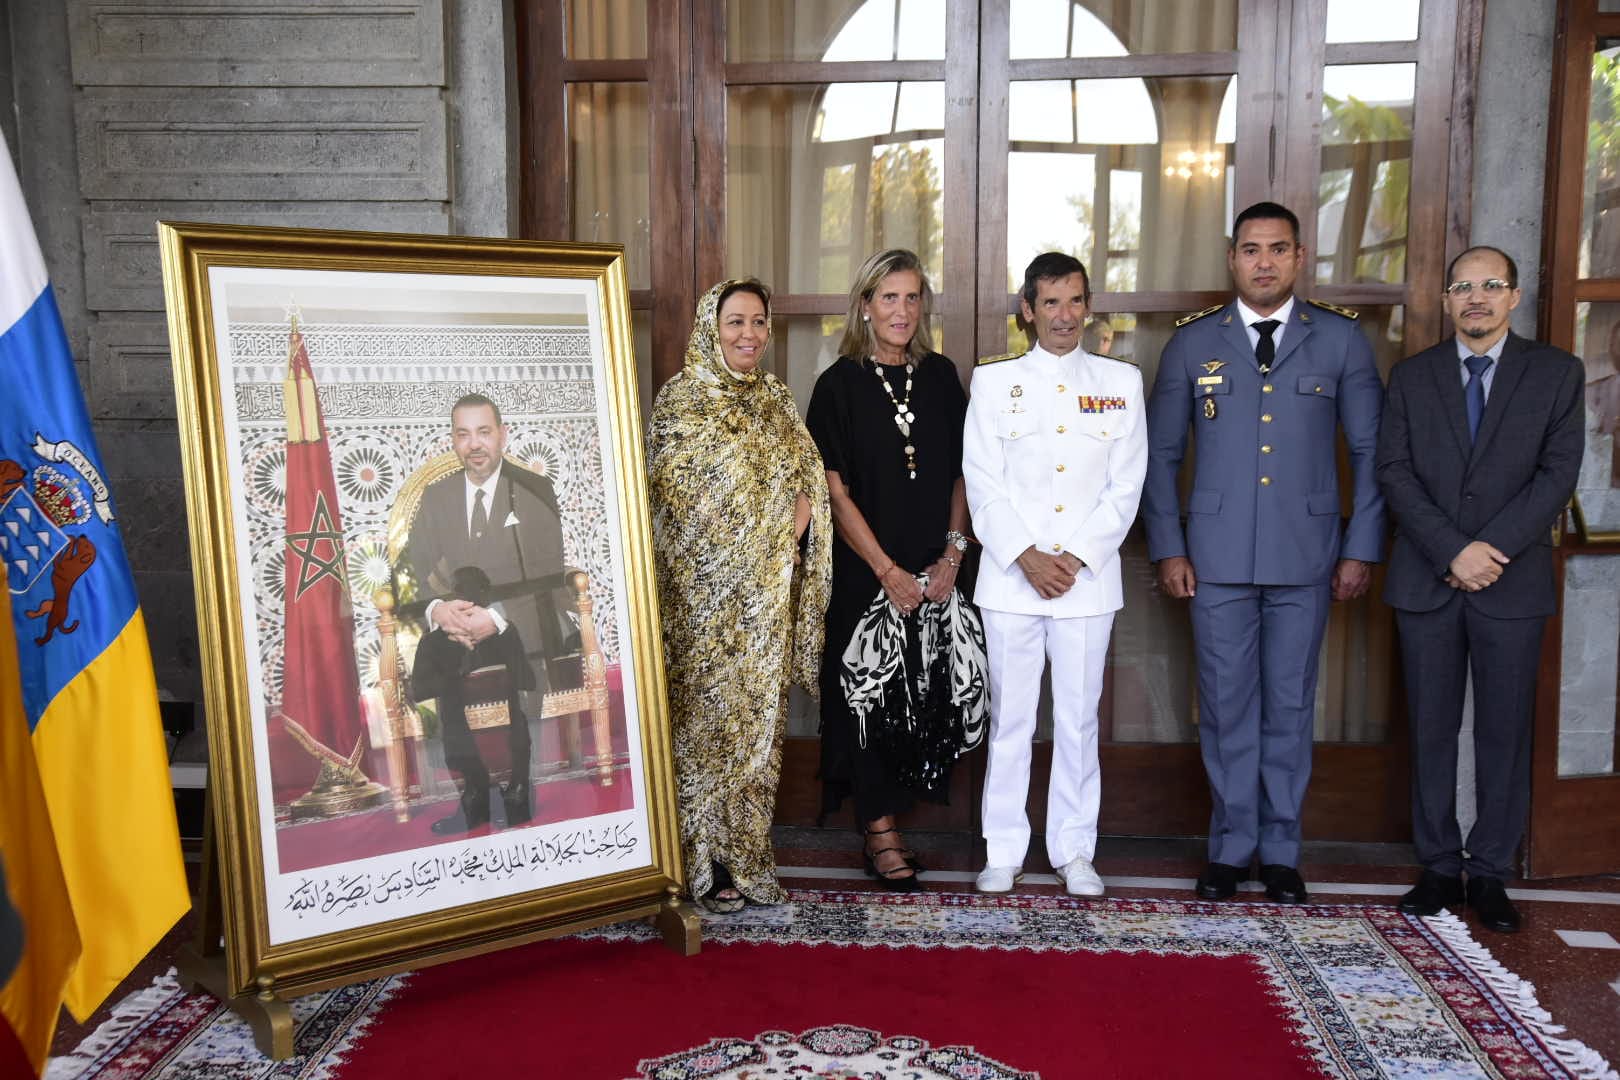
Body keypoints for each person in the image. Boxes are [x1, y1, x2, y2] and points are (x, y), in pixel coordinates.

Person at [1142, 202, 1385, 904]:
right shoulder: (1194, 344)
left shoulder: (1340, 340)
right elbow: (1160, 457)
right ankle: (1229, 849)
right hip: (1214, 560)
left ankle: (1280, 853)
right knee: (1224, 708)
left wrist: (1360, 548)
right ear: (1232, 258)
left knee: (1289, 706)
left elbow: (1371, 454)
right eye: (1251, 249)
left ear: (1300, 257)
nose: (1265, 262)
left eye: (1279, 249)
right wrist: (1169, 548)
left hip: (1308, 557)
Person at [1377, 245, 1583, 932]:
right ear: (1446, 300)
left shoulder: (1556, 373)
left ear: (1513, 297)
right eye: (1463, 287)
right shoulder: (1411, 377)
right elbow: (1394, 471)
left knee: (1504, 731)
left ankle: (1490, 870)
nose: (1477, 298)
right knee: (1430, 729)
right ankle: (1438, 864)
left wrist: (1488, 552)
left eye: (1491, 285)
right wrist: (1452, 550)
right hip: (1429, 579)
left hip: (1511, 581)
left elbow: (1557, 474)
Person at [962, 251, 1147, 897]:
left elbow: (1127, 485)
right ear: (1028, 310)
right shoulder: (995, 382)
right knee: (1011, 721)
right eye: (1050, 302)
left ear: (1088, 306)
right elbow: (982, 482)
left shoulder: (1120, 382)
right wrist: (1027, 555)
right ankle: (1003, 851)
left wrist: (1076, 556)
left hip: (1086, 583)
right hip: (1012, 581)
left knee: (1077, 722)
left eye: (1074, 301)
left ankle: (1074, 851)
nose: (1063, 315)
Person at [647, 278, 832, 913]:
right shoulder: (679, 402)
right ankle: (696, 862)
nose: (749, 334)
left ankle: (746, 857)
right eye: (736, 322)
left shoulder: (776, 400)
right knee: (701, 728)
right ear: (711, 328)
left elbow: (807, 481)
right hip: (697, 606)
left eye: (758, 321)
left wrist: (787, 534)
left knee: (756, 729)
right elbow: (675, 501)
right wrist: (755, 537)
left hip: (762, 605)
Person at [806, 249, 980, 893]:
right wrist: (886, 571)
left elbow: (965, 472)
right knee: (867, 701)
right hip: (867, 573)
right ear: (865, 305)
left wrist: (953, 555)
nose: (901, 311)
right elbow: (833, 492)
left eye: (911, 298)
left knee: (923, 696)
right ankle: (878, 832)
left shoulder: (941, 377)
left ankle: (895, 821)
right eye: (888, 298)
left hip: (937, 572)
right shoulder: (837, 385)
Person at [405, 393, 566, 835]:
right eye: (463, 434)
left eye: (483, 432)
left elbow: (549, 571)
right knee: (439, 659)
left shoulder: (534, 489)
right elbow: (412, 567)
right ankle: (473, 792)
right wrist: (439, 610)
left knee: (518, 654)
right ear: (453, 441)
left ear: (502, 435)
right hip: (458, 624)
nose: (474, 444)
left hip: (517, 620)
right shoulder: (436, 497)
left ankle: (518, 790)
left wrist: (495, 617)